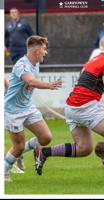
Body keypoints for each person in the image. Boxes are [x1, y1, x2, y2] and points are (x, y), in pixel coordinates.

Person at [33, 38, 104, 184]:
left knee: (84, 148)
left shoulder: (95, 59)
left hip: (72, 106)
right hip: (85, 104)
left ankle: (44, 152)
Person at [4, 35, 62, 182]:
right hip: (13, 111)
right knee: (18, 146)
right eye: (44, 49)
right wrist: (49, 85)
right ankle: (4, 171)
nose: (45, 52)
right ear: (36, 51)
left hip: (28, 108)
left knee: (46, 138)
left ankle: (18, 153)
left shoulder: (36, 63)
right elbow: (30, 80)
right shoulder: (22, 65)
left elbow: (29, 82)